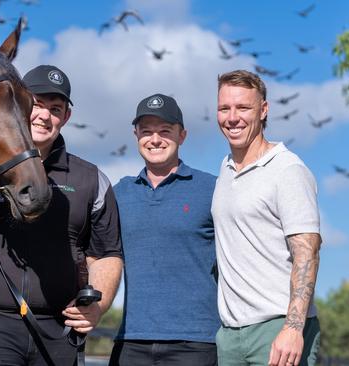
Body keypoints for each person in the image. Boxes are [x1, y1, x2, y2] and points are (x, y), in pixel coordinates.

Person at [0, 64, 123, 366]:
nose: (45, 115)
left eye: (56, 109)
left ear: (66, 117)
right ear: (19, 103)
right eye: (38, 104)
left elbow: (107, 253)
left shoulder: (91, 180)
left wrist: (99, 305)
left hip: (57, 328)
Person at [212, 70, 322, 366]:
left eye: (243, 108)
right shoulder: (225, 169)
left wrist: (292, 328)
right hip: (231, 336)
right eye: (225, 108)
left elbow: (307, 252)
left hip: (277, 332)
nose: (232, 117)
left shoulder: (287, 170)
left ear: (263, 110)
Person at [109, 93, 219, 366]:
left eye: (165, 131)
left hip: (197, 343)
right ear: (136, 135)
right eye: (146, 131)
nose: (155, 139)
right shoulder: (118, 193)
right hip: (131, 341)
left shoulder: (213, 189)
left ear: (182, 135)